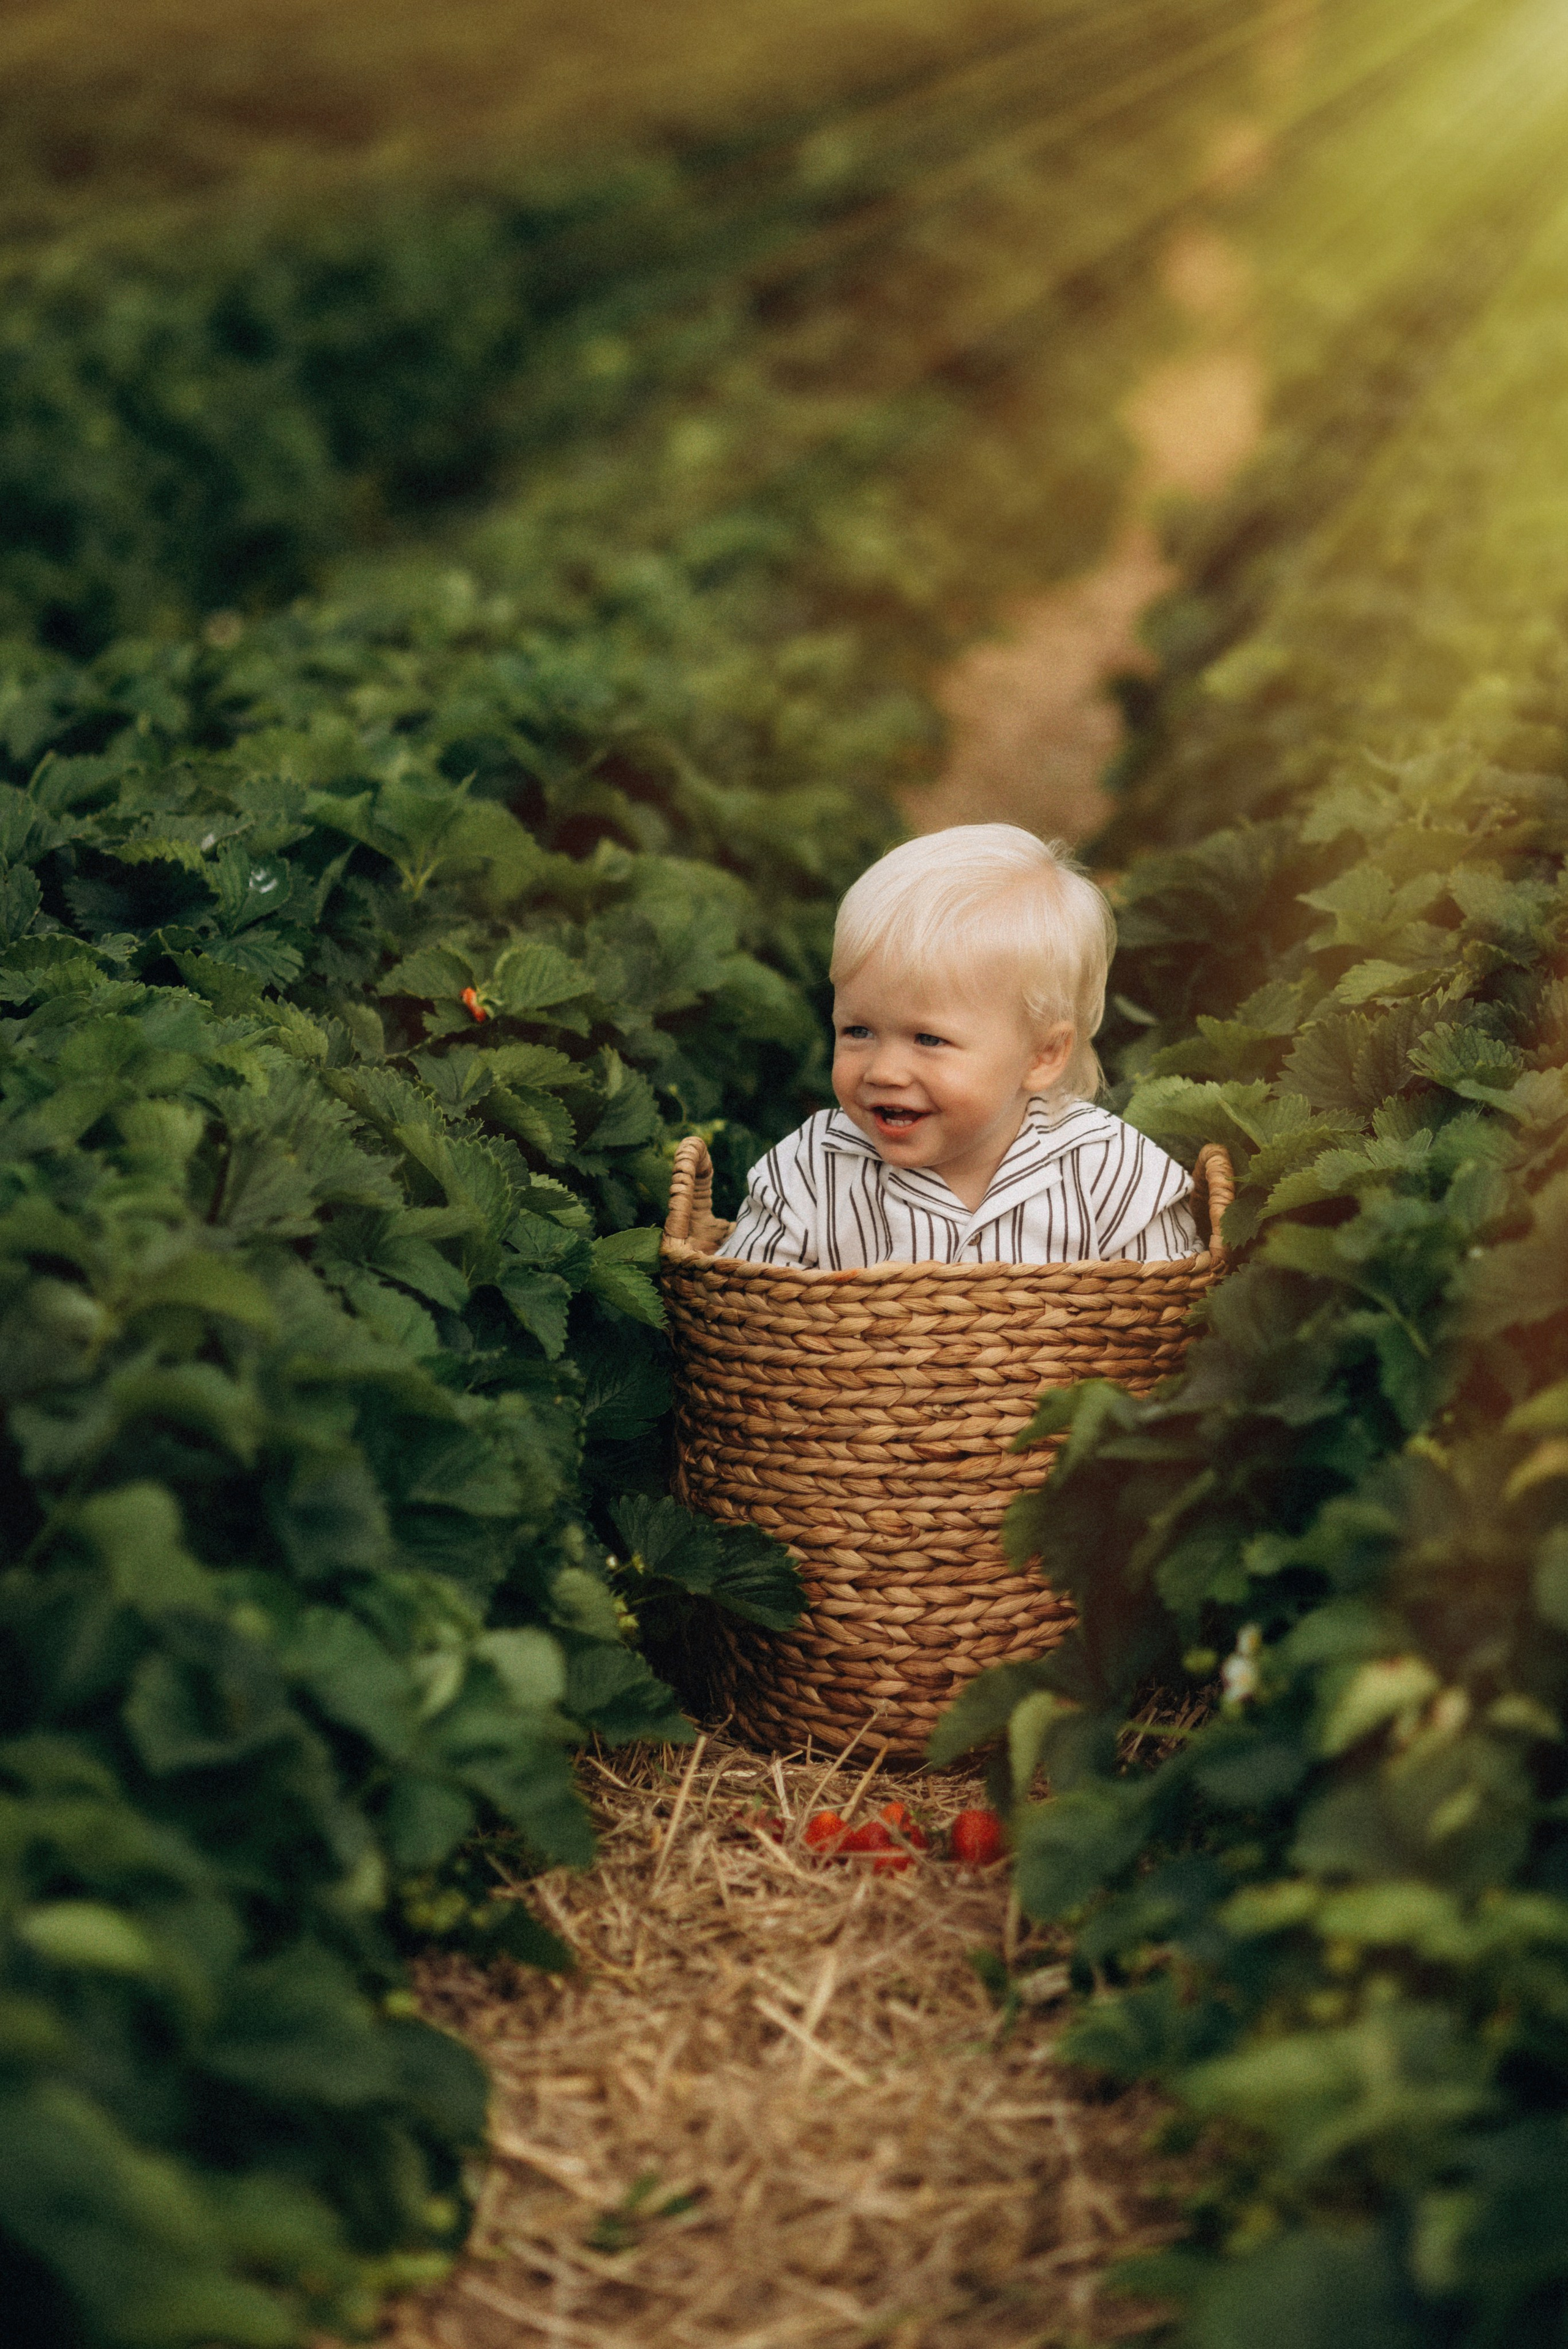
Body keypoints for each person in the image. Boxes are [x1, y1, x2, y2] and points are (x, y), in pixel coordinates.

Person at [716, 823, 1197, 1268]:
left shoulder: (1110, 1173)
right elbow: (748, 1311)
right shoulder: (812, 1171)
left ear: (1043, 1055)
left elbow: (1165, 1314)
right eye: (858, 1031)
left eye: (929, 1039)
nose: (884, 1071)